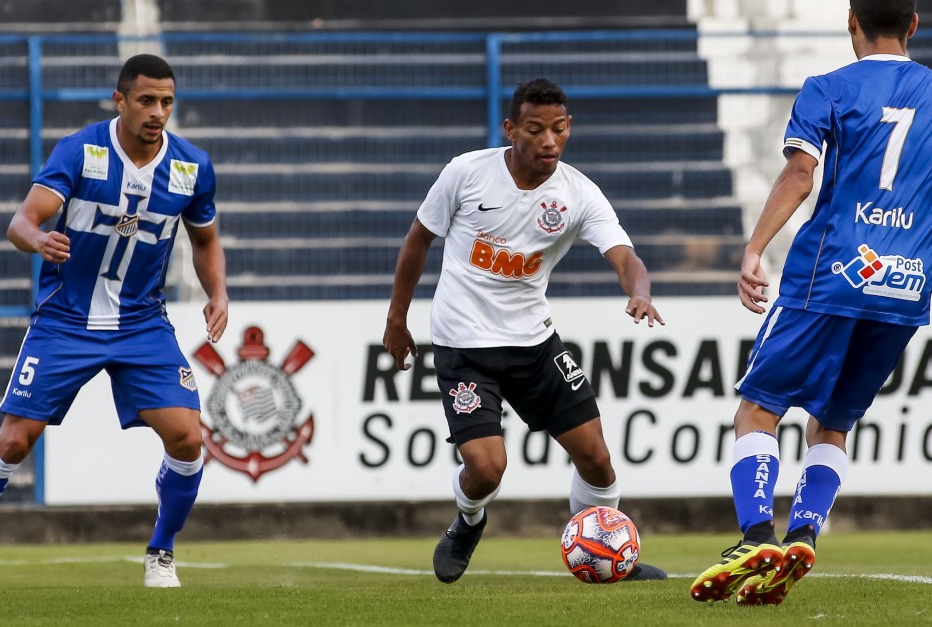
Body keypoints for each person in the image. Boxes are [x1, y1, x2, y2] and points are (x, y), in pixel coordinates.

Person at [691, 0, 929, 606]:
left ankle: (755, 538)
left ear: (851, 21)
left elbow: (801, 172)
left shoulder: (827, 87)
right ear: (913, 26)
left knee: (758, 407)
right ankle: (804, 533)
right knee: (834, 422)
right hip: (904, 285)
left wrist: (753, 250)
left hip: (833, 273)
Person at [383, 78, 667, 584]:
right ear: (511, 129)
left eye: (559, 129)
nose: (548, 141)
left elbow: (625, 256)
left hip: (534, 344)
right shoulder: (466, 173)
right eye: (535, 129)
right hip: (463, 345)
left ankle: (608, 553)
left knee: (597, 458)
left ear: (569, 128)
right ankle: (468, 523)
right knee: (488, 468)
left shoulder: (578, 193)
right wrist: (396, 319)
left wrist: (639, 290)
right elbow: (417, 241)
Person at [0, 54, 229, 588]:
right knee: (11, 443)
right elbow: (21, 221)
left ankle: (161, 552)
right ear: (119, 100)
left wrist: (218, 293)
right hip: (66, 320)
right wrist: (38, 239)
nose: (158, 112)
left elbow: (206, 239)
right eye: (146, 100)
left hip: (141, 323)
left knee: (189, 438)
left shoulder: (192, 166)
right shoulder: (81, 150)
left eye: (167, 101)